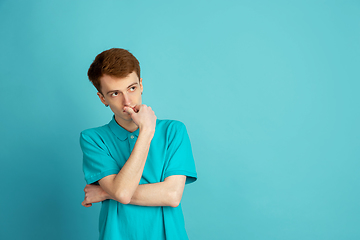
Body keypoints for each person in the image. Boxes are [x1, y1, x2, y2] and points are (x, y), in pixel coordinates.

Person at [79, 48, 197, 240]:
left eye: (132, 88)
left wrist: (106, 193)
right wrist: (147, 132)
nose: (127, 101)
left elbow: (172, 195)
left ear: (141, 85)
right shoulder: (93, 139)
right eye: (115, 93)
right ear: (103, 99)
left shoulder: (174, 131)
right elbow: (123, 193)